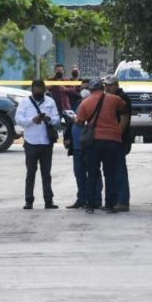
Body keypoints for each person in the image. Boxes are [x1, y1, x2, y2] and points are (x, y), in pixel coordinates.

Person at [76, 78, 128, 214]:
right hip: (112, 140)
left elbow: (80, 122)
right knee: (110, 173)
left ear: (91, 90)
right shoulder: (114, 99)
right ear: (102, 87)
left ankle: (90, 205)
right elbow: (124, 108)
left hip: (94, 142)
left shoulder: (85, 103)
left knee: (92, 173)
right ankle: (110, 205)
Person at [15, 79, 61, 210]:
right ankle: (29, 201)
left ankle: (49, 201)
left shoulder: (50, 102)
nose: (38, 94)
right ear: (32, 90)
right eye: (36, 92)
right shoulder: (24, 102)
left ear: (44, 90)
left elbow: (57, 118)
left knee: (46, 174)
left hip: (46, 142)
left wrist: (49, 119)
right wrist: (32, 120)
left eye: (41, 92)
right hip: (31, 142)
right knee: (31, 173)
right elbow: (18, 119)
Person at [64, 79, 101, 209]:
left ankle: (96, 200)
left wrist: (77, 120)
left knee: (93, 172)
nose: (84, 91)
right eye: (82, 88)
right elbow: (71, 121)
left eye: (87, 88)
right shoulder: (78, 103)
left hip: (90, 142)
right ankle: (82, 199)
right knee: (79, 173)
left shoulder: (97, 103)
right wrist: (67, 136)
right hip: (77, 145)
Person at [103, 74, 133, 212]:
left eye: (110, 85)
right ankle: (112, 201)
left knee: (119, 170)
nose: (107, 88)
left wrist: (116, 136)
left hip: (119, 139)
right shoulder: (109, 98)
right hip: (110, 139)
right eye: (106, 85)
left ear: (116, 85)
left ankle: (123, 201)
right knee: (111, 171)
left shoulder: (122, 98)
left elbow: (124, 120)